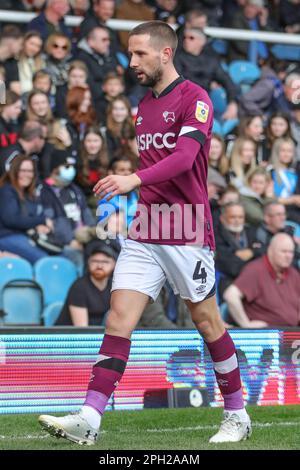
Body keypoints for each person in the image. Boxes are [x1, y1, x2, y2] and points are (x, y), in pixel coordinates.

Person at [39, 20, 251, 445]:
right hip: (146, 228)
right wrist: (137, 188)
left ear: (165, 53)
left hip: (187, 227)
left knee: (207, 321)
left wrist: (132, 180)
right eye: (130, 53)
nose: (132, 61)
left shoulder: (197, 99)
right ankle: (89, 418)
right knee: (118, 319)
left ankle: (237, 414)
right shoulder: (143, 105)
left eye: (139, 54)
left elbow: (186, 158)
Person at [224, 233, 300, 327]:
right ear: (270, 250)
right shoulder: (256, 270)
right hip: (265, 337)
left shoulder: (293, 273)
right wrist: (246, 324)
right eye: (284, 251)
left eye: (291, 252)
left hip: (292, 334)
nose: (288, 256)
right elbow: (230, 295)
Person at [174, 28, 239, 121]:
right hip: (182, 101)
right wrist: (208, 83)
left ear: (202, 41)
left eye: (191, 38)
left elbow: (227, 80)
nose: (186, 40)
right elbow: (178, 81)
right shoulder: (177, 57)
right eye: (184, 37)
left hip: (203, 101)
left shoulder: (211, 59)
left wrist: (232, 103)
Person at [0, 154, 51, 263]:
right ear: (14, 172)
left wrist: (38, 226)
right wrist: (41, 220)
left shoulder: (27, 194)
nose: (27, 175)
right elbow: (11, 220)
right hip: (6, 236)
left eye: (30, 171)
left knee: (60, 254)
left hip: (23, 236)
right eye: (23, 170)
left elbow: (27, 219)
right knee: (44, 260)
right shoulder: (7, 191)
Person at [56, 239, 119, 326]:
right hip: (71, 337)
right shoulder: (79, 287)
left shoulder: (115, 286)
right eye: (95, 261)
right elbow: (82, 329)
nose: (99, 266)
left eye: (105, 262)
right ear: (88, 263)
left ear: (114, 264)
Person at [214, 202, 259, 297]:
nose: (237, 221)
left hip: (254, 281)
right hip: (227, 284)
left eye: (240, 217)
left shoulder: (250, 231)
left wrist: (251, 252)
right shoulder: (216, 236)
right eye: (233, 217)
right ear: (222, 218)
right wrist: (253, 258)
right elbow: (232, 268)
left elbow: (264, 251)